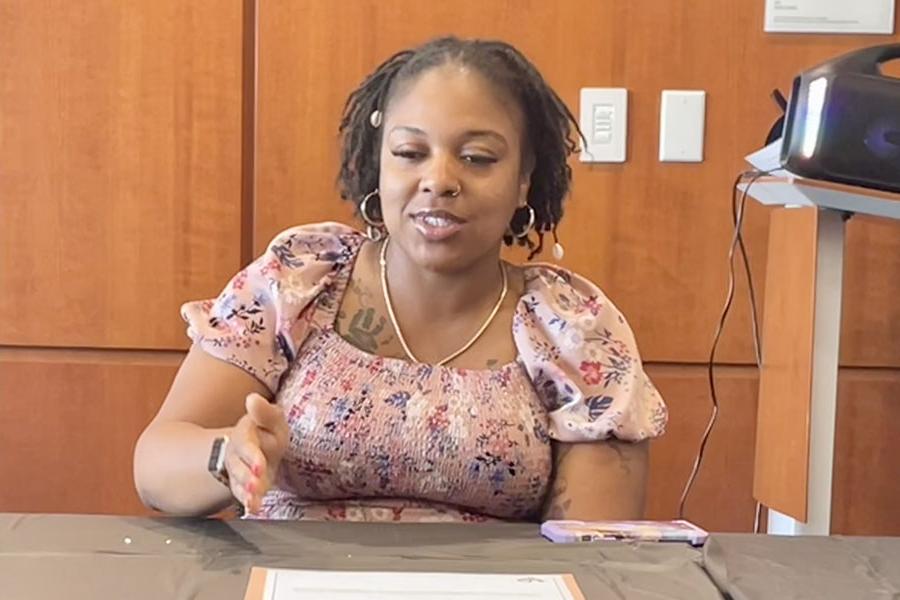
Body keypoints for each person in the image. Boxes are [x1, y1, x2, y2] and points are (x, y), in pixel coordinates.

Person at [133, 36, 667, 523]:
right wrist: (228, 454)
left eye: (477, 158)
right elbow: (156, 465)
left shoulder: (574, 328)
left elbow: (594, 550)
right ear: (378, 166)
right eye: (410, 153)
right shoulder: (299, 279)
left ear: (524, 179)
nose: (438, 180)